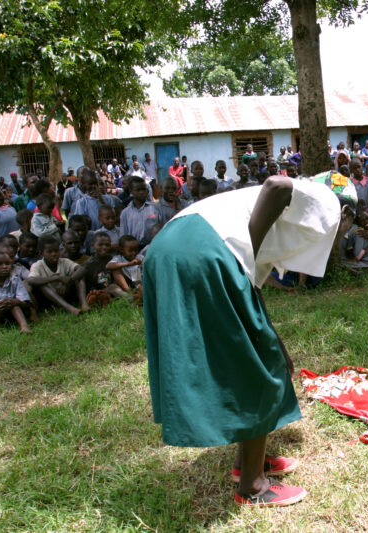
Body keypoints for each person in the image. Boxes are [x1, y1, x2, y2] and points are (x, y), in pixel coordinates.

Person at [143, 176, 349, 507]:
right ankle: (253, 487)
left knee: (245, 355)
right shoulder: (325, 197)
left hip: (172, 245)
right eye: (348, 225)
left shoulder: (260, 215)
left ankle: (247, 464)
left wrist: (274, 338)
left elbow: (250, 287)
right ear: (347, 211)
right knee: (257, 368)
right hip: (206, 249)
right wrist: (249, 253)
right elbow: (278, 185)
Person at [27, 235, 89, 315]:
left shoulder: (64, 261)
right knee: (42, 285)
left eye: (56, 251)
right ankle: (69, 308)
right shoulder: (37, 265)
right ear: (41, 253)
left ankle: (84, 304)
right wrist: (57, 278)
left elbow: (81, 269)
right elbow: (30, 280)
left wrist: (68, 281)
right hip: (49, 299)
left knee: (79, 276)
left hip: (65, 294)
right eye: (49, 252)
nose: (54, 254)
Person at [120, 177, 164, 248]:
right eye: (138, 190)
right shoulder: (125, 213)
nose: (142, 192)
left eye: (144, 189)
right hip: (133, 250)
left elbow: (163, 228)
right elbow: (123, 236)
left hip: (152, 247)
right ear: (131, 191)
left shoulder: (156, 208)